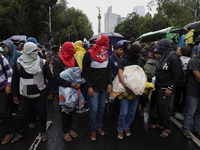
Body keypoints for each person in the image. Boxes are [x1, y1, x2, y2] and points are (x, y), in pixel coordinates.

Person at [11, 42, 53, 143]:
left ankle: (43, 131)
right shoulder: (19, 63)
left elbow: (50, 78)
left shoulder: (42, 62)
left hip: (40, 94)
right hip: (25, 95)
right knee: (22, 115)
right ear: (28, 52)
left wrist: (51, 91)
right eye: (34, 51)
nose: (37, 52)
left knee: (42, 114)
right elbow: (15, 80)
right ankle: (21, 132)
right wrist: (15, 94)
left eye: (37, 50)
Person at [82, 35, 112, 141]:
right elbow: (84, 72)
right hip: (93, 88)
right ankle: (93, 130)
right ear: (100, 43)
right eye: (105, 44)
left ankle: (99, 127)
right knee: (94, 110)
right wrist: (89, 86)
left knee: (101, 109)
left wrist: (109, 83)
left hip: (103, 87)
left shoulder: (106, 55)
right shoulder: (88, 54)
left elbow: (108, 70)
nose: (107, 46)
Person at [154, 38, 182, 138]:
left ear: (165, 47)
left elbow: (178, 75)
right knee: (159, 108)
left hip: (166, 88)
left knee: (163, 109)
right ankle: (161, 124)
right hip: (158, 86)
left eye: (159, 46)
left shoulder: (173, 57)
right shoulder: (163, 56)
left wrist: (170, 88)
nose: (158, 48)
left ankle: (168, 127)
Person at [53, 42, 80, 142]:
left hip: (73, 89)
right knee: (65, 112)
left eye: (73, 49)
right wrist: (70, 84)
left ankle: (70, 129)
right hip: (62, 91)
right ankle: (65, 131)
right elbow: (56, 78)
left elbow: (77, 72)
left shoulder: (73, 59)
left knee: (72, 110)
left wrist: (78, 82)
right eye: (70, 49)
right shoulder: (58, 61)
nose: (72, 51)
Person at [117, 44, 142, 140]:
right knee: (124, 112)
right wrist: (126, 87)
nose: (139, 54)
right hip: (125, 90)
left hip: (136, 91)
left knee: (132, 112)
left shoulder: (139, 61)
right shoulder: (124, 60)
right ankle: (120, 129)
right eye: (138, 53)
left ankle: (126, 126)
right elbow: (120, 73)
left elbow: (142, 75)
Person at [182, 45, 200, 140]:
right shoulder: (193, 61)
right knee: (190, 112)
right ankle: (185, 129)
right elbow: (198, 77)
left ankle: (197, 128)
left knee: (199, 112)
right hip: (193, 90)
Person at [0, 54, 13, 145]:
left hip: (2, 89)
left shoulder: (1, 58)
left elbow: (9, 71)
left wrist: (8, 85)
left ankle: (8, 133)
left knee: (3, 111)